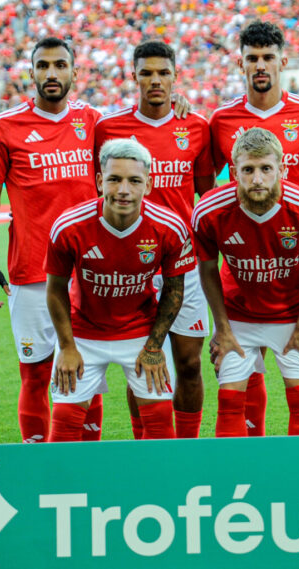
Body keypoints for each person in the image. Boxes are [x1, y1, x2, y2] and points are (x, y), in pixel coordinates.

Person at [0, 37, 104, 443]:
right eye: (44, 66)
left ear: (75, 72)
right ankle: (36, 465)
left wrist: (179, 105)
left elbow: (143, 127)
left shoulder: (95, 121)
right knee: (34, 373)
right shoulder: (5, 126)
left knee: (90, 371)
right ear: (31, 73)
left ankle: (84, 462)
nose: (52, 73)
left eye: (61, 65)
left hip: (90, 272)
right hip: (31, 271)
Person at [208, 20, 299, 434]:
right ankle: (251, 443)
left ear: (283, 61)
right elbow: (206, 181)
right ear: (240, 63)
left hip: (296, 258)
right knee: (247, 364)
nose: (260, 65)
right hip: (243, 267)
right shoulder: (221, 119)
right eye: (252, 58)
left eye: (268, 58)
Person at [94, 40, 215, 439]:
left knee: (189, 364)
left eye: (163, 72)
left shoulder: (195, 126)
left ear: (175, 76)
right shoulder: (108, 129)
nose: (155, 80)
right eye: (146, 73)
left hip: (185, 265)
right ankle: (144, 446)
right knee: (140, 363)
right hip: (134, 268)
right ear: (133, 77)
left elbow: (205, 192)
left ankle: (188, 448)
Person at [44, 138, 196, 441]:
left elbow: (174, 290)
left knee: (160, 429)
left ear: (148, 185)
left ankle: (155, 486)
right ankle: (65, 486)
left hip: (141, 332)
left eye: (134, 181)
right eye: (114, 179)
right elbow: (55, 289)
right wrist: (67, 347)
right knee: (62, 431)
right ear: (100, 181)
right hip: (83, 334)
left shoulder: (170, 227)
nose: (123, 190)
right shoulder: (69, 226)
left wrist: (154, 347)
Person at [191, 127, 299, 437]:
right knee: (229, 403)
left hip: (290, 314)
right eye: (248, 170)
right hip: (238, 315)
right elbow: (207, 269)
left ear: (282, 169)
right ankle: (235, 476)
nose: (257, 179)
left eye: (266, 169)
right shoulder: (208, 211)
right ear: (233, 171)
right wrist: (223, 330)